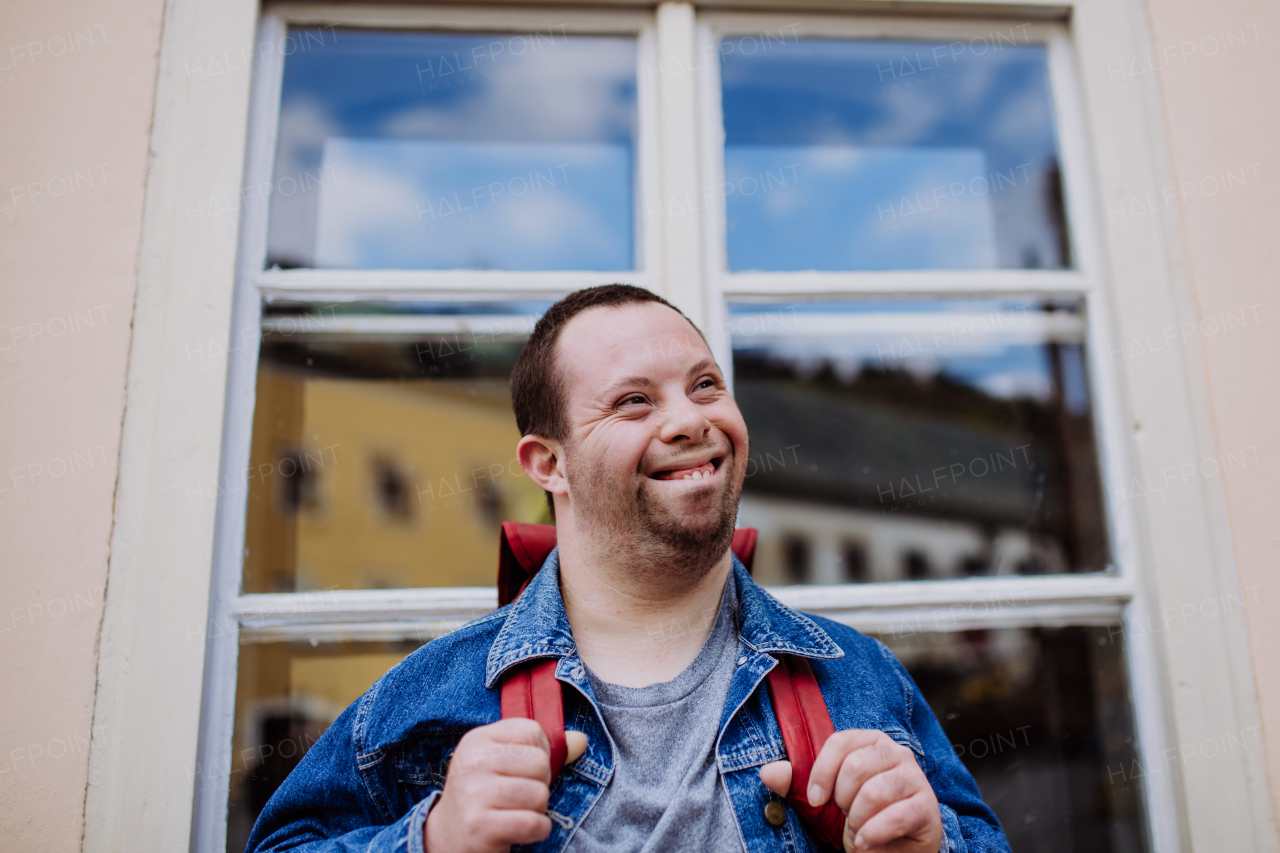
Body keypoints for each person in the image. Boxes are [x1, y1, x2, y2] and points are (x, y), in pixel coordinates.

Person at [246, 285, 1010, 853]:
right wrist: (431, 838)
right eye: (634, 401)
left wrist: (936, 844)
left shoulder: (862, 680)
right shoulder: (426, 698)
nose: (690, 420)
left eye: (705, 384)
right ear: (549, 464)